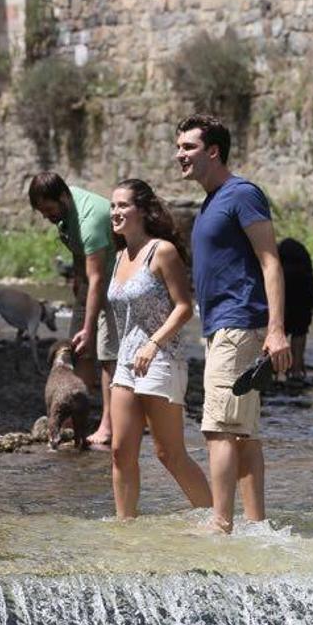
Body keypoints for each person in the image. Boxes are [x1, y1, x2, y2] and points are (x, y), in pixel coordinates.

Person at [176, 113, 291, 534]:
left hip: (238, 324)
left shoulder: (242, 194)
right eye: (179, 147)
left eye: (188, 147)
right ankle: (256, 525)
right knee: (243, 431)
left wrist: (276, 329)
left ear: (213, 151)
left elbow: (270, 260)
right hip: (225, 327)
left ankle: (220, 523)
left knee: (219, 428)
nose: (179, 154)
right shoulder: (212, 200)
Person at [106, 179, 211, 519]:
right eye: (112, 206)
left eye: (123, 205)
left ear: (142, 210)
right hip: (126, 362)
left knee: (169, 454)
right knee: (120, 452)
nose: (116, 212)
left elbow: (184, 307)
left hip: (161, 359)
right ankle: (126, 528)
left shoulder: (162, 251)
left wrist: (153, 344)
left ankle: (216, 519)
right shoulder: (120, 255)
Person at [28, 172, 118, 448]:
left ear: (63, 197)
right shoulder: (68, 208)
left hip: (117, 284)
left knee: (107, 356)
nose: (47, 216)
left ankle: (108, 426)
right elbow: (79, 253)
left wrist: (89, 327)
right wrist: (78, 281)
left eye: (49, 210)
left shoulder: (89, 219)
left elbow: (99, 279)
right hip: (93, 280)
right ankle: (72, 416)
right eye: (42, 212)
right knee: (77, 349)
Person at [278, 238, 313, 381]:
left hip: (284, 299)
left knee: (280, 333)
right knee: (300, 332)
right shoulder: (304, 272)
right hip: (303, 298)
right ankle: (296, 369)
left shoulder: (281, 269)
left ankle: (275, 371)